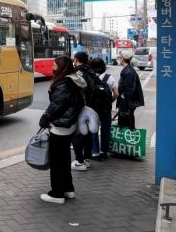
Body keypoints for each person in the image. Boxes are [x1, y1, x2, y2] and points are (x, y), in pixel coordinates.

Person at [38, 56, 86, 204]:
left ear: (62, 67)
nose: (52, 66)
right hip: (69, 125)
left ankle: (57, 194)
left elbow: (56, 105)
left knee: (57, 161)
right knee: (64, 159)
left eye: (55, 64)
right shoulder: (73, 79)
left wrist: (44, 119)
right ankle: (68, 189)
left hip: (60, 127)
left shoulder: (65, 82)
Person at [89, 57, 118, 160]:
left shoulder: (90, 78)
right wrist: (109, 101)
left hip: (93, 109)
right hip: (106, 108)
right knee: (106, 129)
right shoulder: (110, 78)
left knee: (94, 130)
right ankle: (104, 151)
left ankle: (95, 153)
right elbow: (116, 94)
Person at [71, 51, 95, 171]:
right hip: (91, 107)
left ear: (76, 59)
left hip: (81, 107)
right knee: (88, 134)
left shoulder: (77, 72)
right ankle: (87, 159)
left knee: (78, 134)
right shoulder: (90, 70)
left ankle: (79, 161)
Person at [116, 49, 145, 130]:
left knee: (127, 126)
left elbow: (128, 91)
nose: (118, 59)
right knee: (127, 125)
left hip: (127, 104)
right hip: (127, 103)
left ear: (122, 59)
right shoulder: (128, 70)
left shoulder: (129, 72)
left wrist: (124, 107)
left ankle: (129, 140)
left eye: (119, 57)